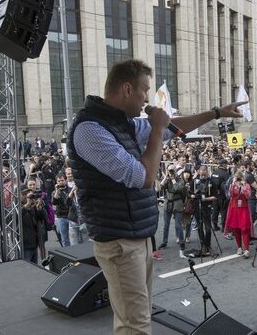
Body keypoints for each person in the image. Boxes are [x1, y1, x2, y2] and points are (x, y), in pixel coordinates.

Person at [66, 59, 243, 334]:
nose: (147, 98)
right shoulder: (90, 130)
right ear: (127, 89)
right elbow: (143, 177)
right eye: (144, 90)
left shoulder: (120, 123)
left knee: (139, 315)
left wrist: (216, 113)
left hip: (136, 235)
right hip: (119, 241)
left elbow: (172, 124)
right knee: (134, 324)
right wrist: (158, 128)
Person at [225, 171, 253, 258]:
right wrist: (233, 184)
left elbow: (248, 196)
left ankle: (247, 249)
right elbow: (229, 195)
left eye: (240, 178)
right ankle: (239, 247)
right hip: (234, 209)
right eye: (237, 178)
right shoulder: (232, 185)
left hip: (243, 209)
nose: (238, 180)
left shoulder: (246, 185)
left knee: (244, 229)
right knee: (236, 229)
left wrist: (242, 187)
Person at [20, 189, 46, 264]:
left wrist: (39, 207)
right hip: (25, 245)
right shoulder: (16, 206)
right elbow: (16, 217)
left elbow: (44, 217)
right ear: (21, 195)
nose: (30, 199)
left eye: (31, 196)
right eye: (28, 196)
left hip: (35, 243)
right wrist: (26, 206)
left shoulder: (34, 207)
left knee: (34, 266)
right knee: (27, 267)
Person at [51, 173, 72, 247]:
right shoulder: (54, 192)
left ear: (65, 180)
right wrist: (57, 190)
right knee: (65, 238)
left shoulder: (70, 190)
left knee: (72, 237)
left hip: (70, 215)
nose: (61, 182)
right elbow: (54, 202)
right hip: (61, 217)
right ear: (56, 182)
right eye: (59, 181)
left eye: (62, 180)